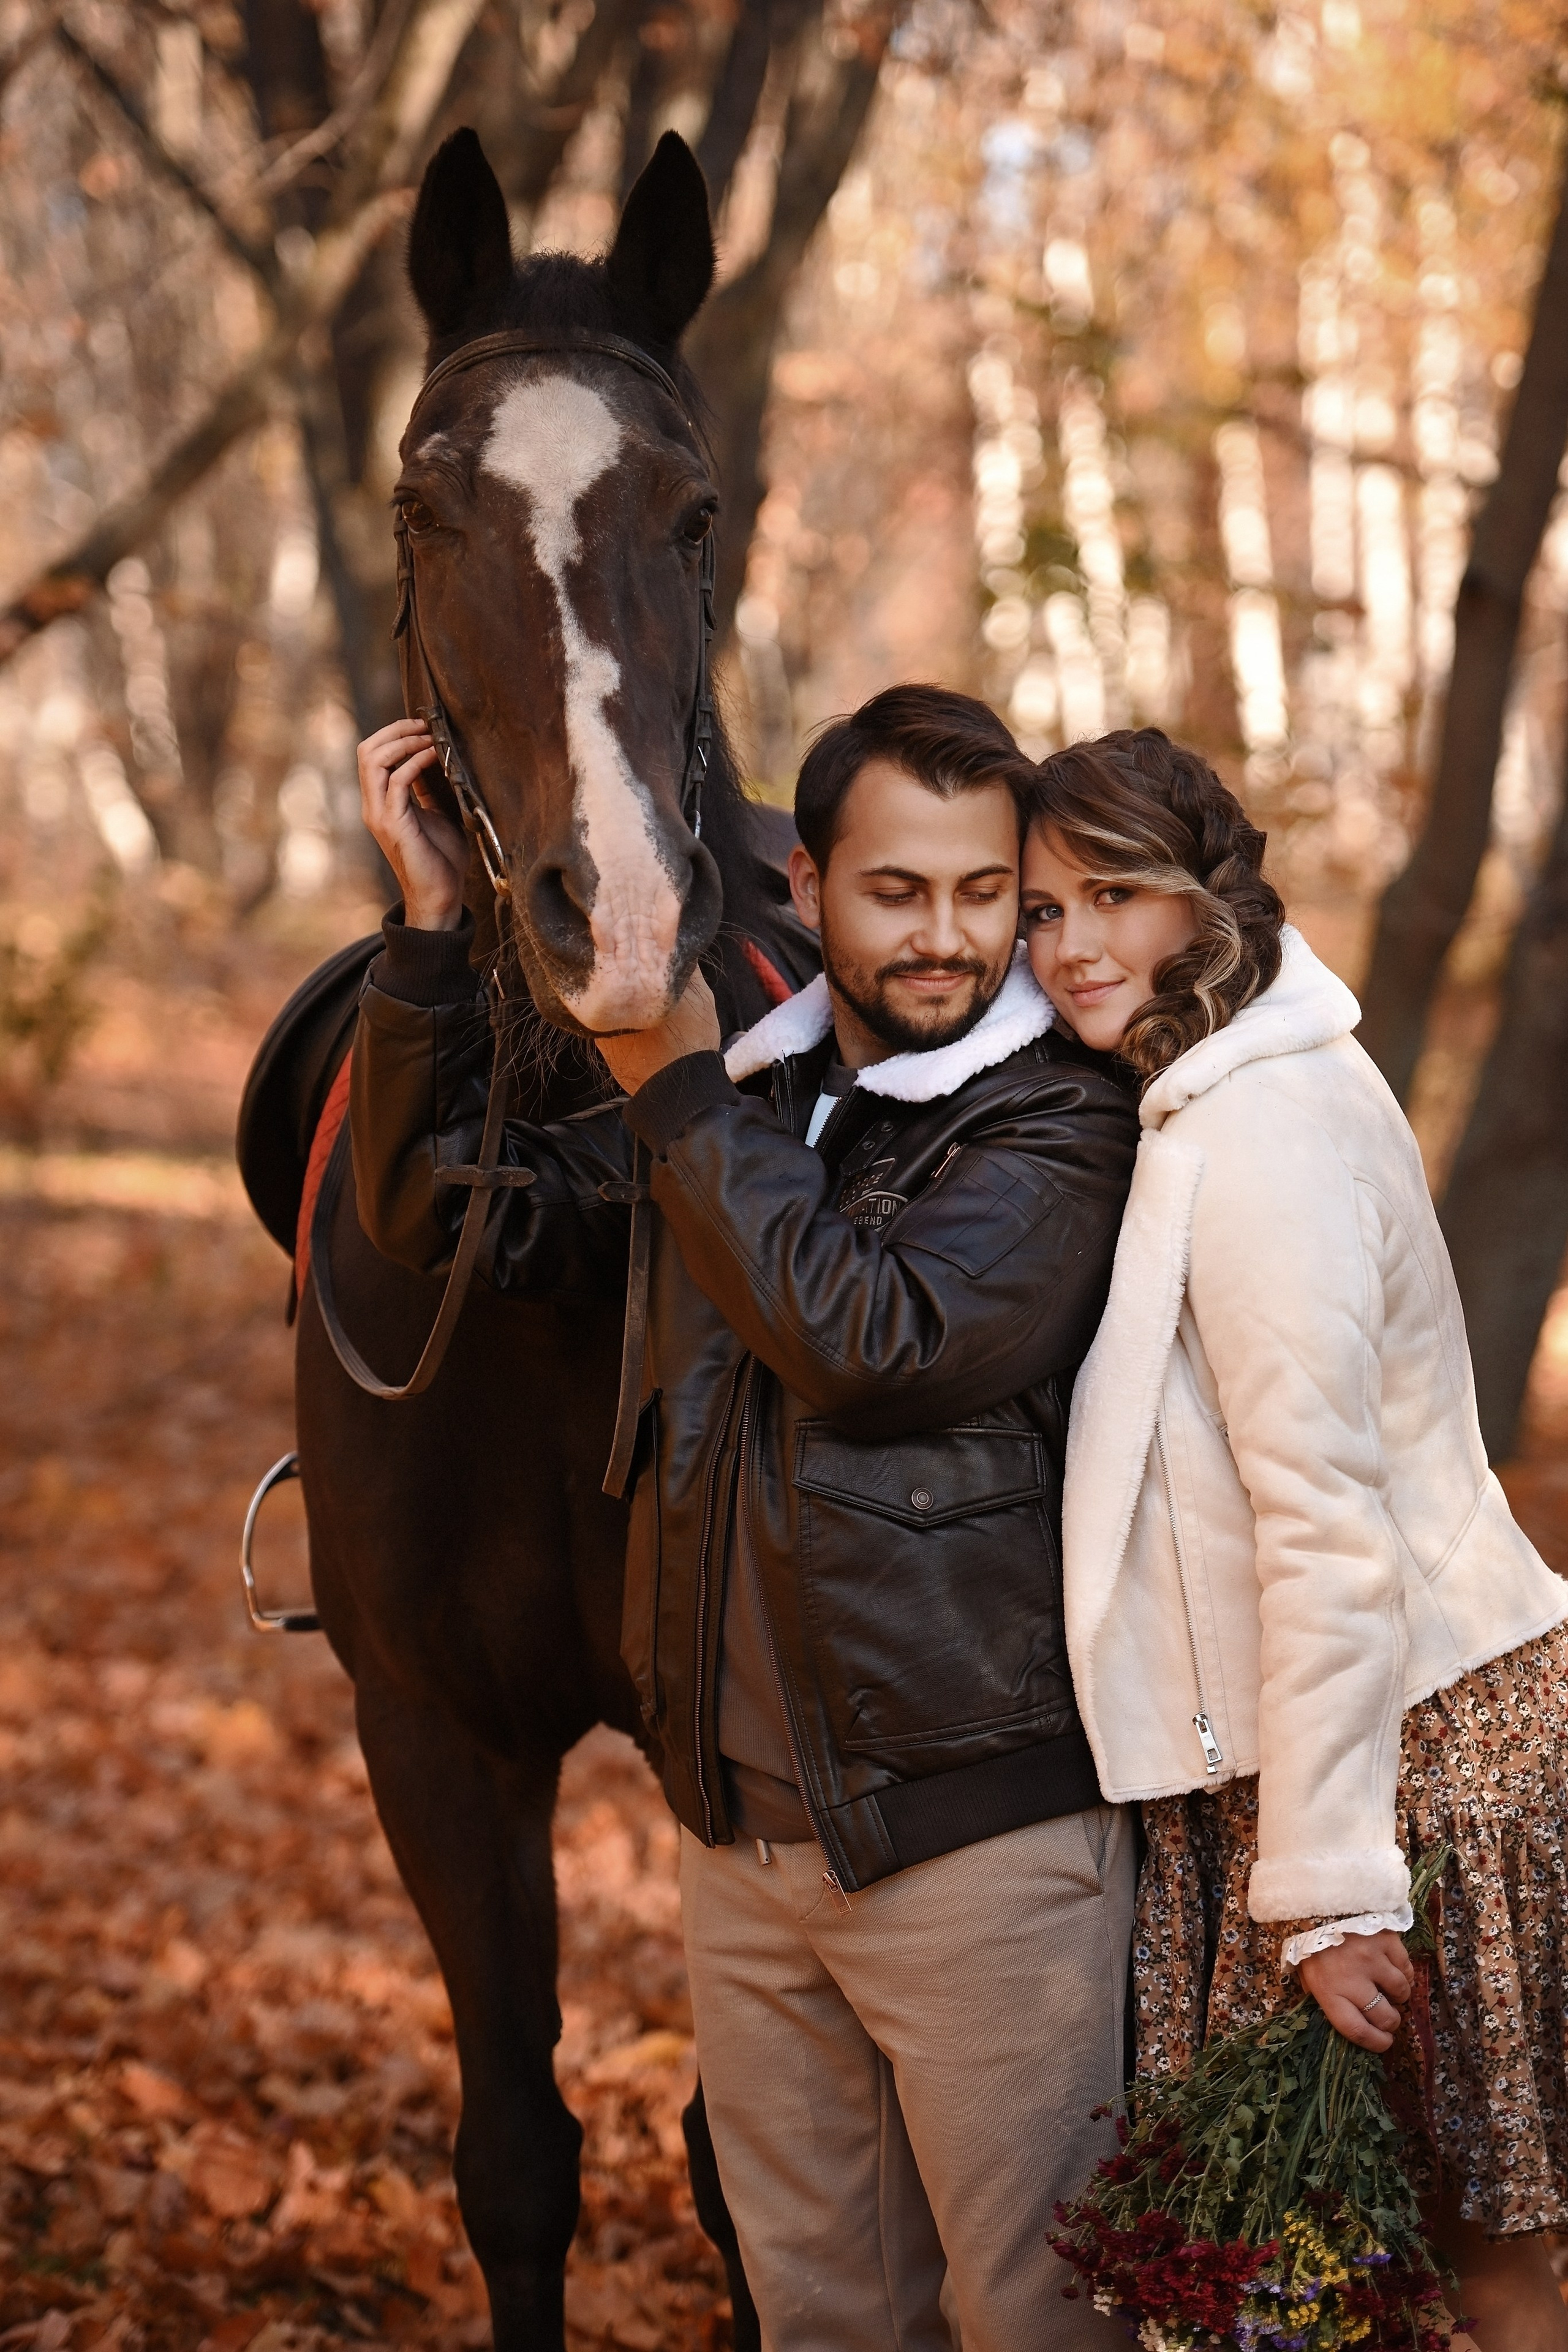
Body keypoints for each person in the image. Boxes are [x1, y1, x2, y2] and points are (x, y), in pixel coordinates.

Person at [352, 684, 1140, 2351]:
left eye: (983, 894)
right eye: (897, 892)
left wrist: (680, 1092)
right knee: (821, 2323)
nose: (945, 939)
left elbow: (867, 1342)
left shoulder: (1061, 1122)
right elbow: (444, 1225)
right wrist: (426, 942)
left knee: (1036, 2324)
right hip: (752, 1859)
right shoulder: (755, 1121)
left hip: (976, 1854)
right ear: (802, 887)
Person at [1022, 725, 1568, 2352]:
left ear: (1207, 902)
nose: (1070, 948)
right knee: (1346, 2277)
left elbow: (1326, 1535)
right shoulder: (1218, 1093)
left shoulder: (1261, 1137)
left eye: (1111, 895)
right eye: (1042, 912)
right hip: (1346, 1739)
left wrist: (1328, 1894)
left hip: (1407, 1749)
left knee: (1478, 2251)